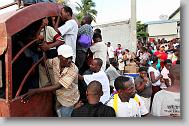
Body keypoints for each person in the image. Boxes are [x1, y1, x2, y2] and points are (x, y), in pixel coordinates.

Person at [22, 45, 80, 117]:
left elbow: (59, 86)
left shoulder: (73, 69)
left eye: (71, 57)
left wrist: (35, 91)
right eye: (67, 58)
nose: (70, 60)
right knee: (59, 113)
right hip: (59, 97)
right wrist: (43, 51)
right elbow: (46, 63)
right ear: (59, 57)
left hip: (69, 100)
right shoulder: (55, 61)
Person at [37, 17, 64, 88]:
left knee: (54, 80)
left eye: (46, 18)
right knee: (43, 82)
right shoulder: (37, 30)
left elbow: (61, 40)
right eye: (44, 18)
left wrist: (48, 46)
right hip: (41, 59)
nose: (47, 20)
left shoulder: (49, 28)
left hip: (51, 56)